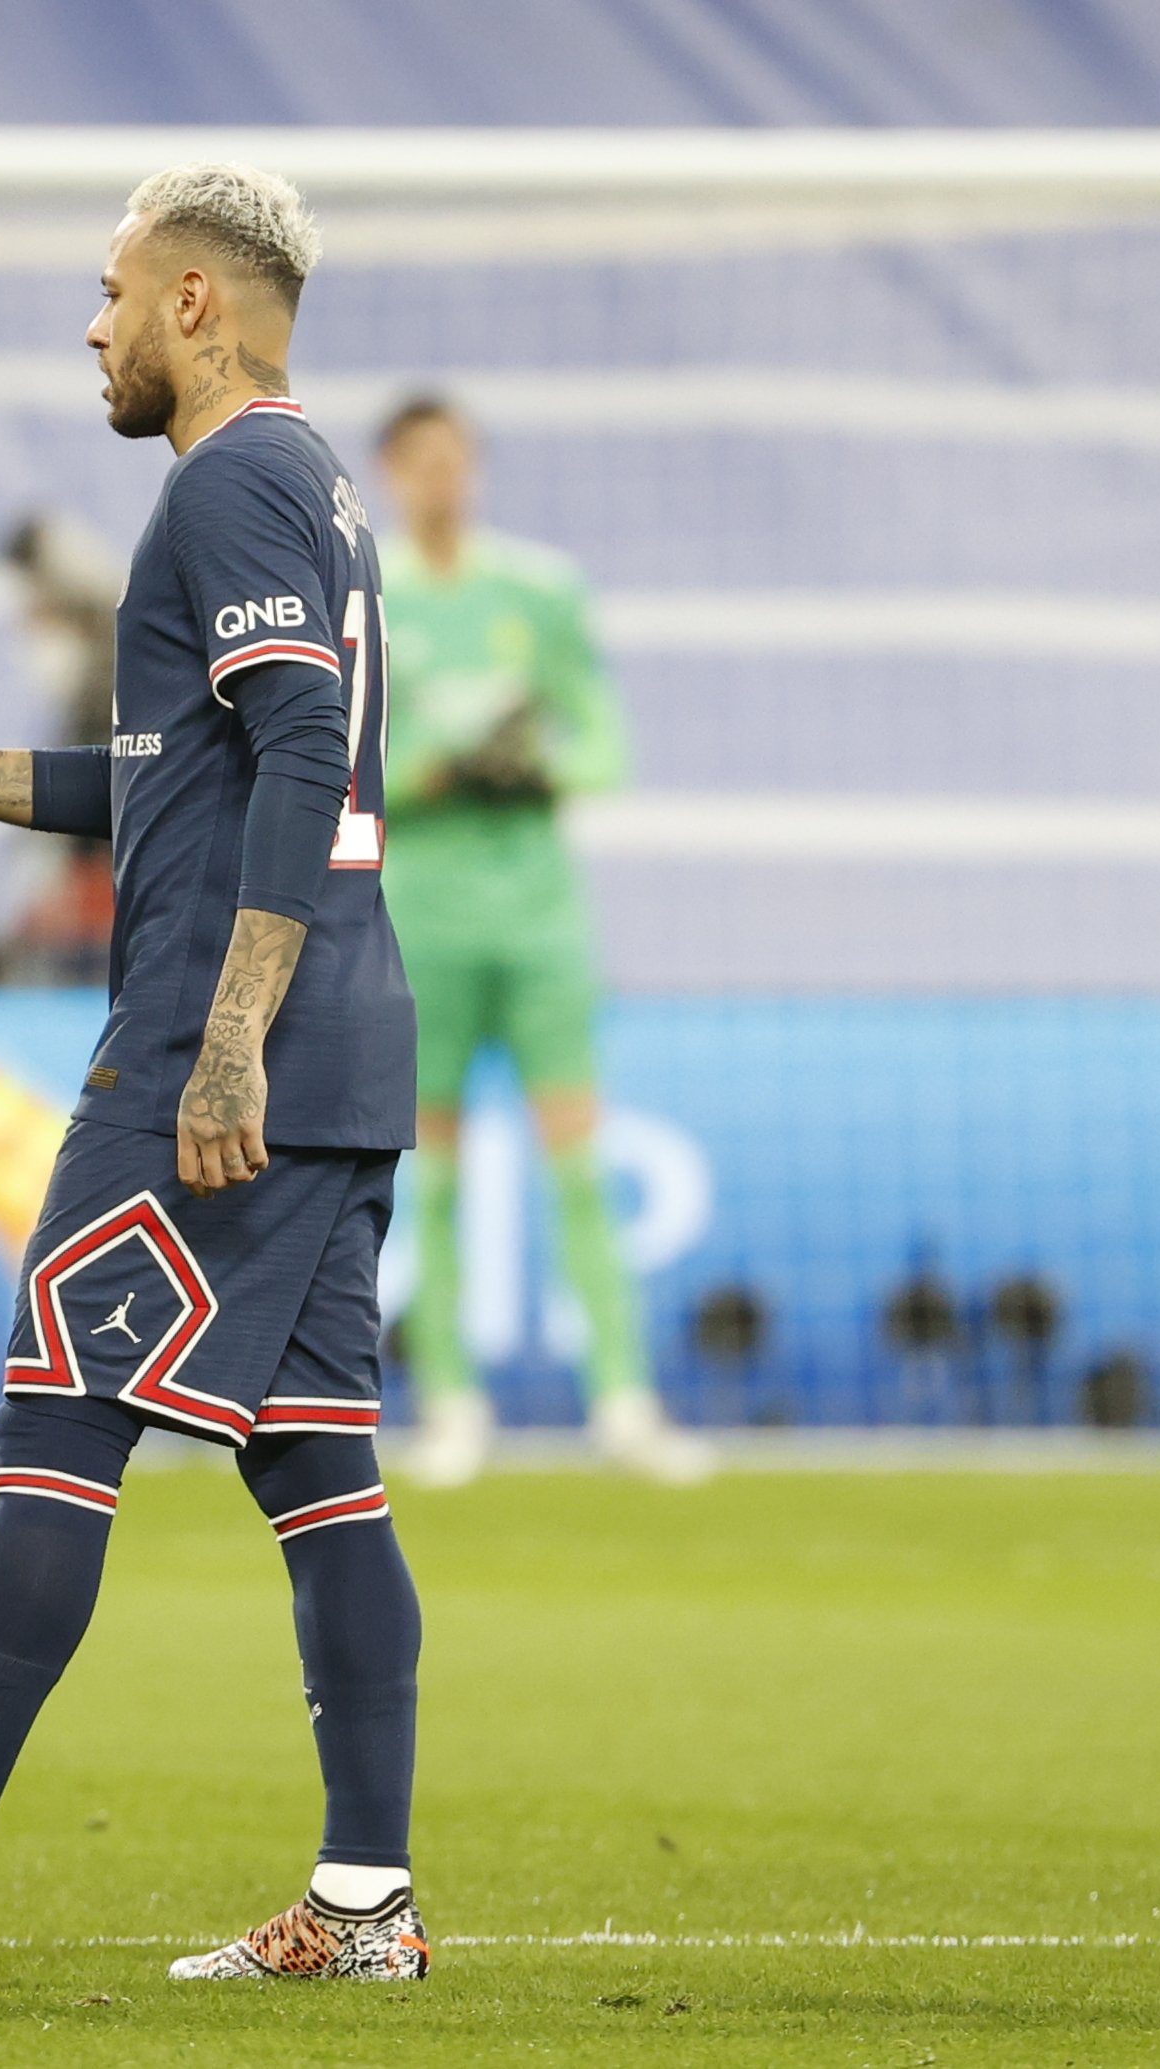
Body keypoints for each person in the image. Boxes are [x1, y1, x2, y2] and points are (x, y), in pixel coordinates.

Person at [0, 162, 430, 1987]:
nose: (89, 325)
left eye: (111, 290)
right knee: (319, 1465)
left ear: (196, 301)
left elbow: (297, 751)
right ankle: (363, 1902)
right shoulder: (303, 484)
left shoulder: (234, 478)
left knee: (59, 1426)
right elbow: (164, 777)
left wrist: (224, 1037)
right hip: (345, 1048)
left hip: (224, 1054)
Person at [373, 396, 710, 1488]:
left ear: (473, 469)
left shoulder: (541, 590)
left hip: (539, 914)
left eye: (454, 460)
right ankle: (452, 1404)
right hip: (424, 913)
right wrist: (434, 765)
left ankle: (622, 1399)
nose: (440, 480)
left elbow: (606, 740)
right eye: (420, 462)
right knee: (427, 1171)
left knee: (577, 1158)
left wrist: (543, 768)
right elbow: (338, 767)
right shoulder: (364, 597)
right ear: (389, 472)